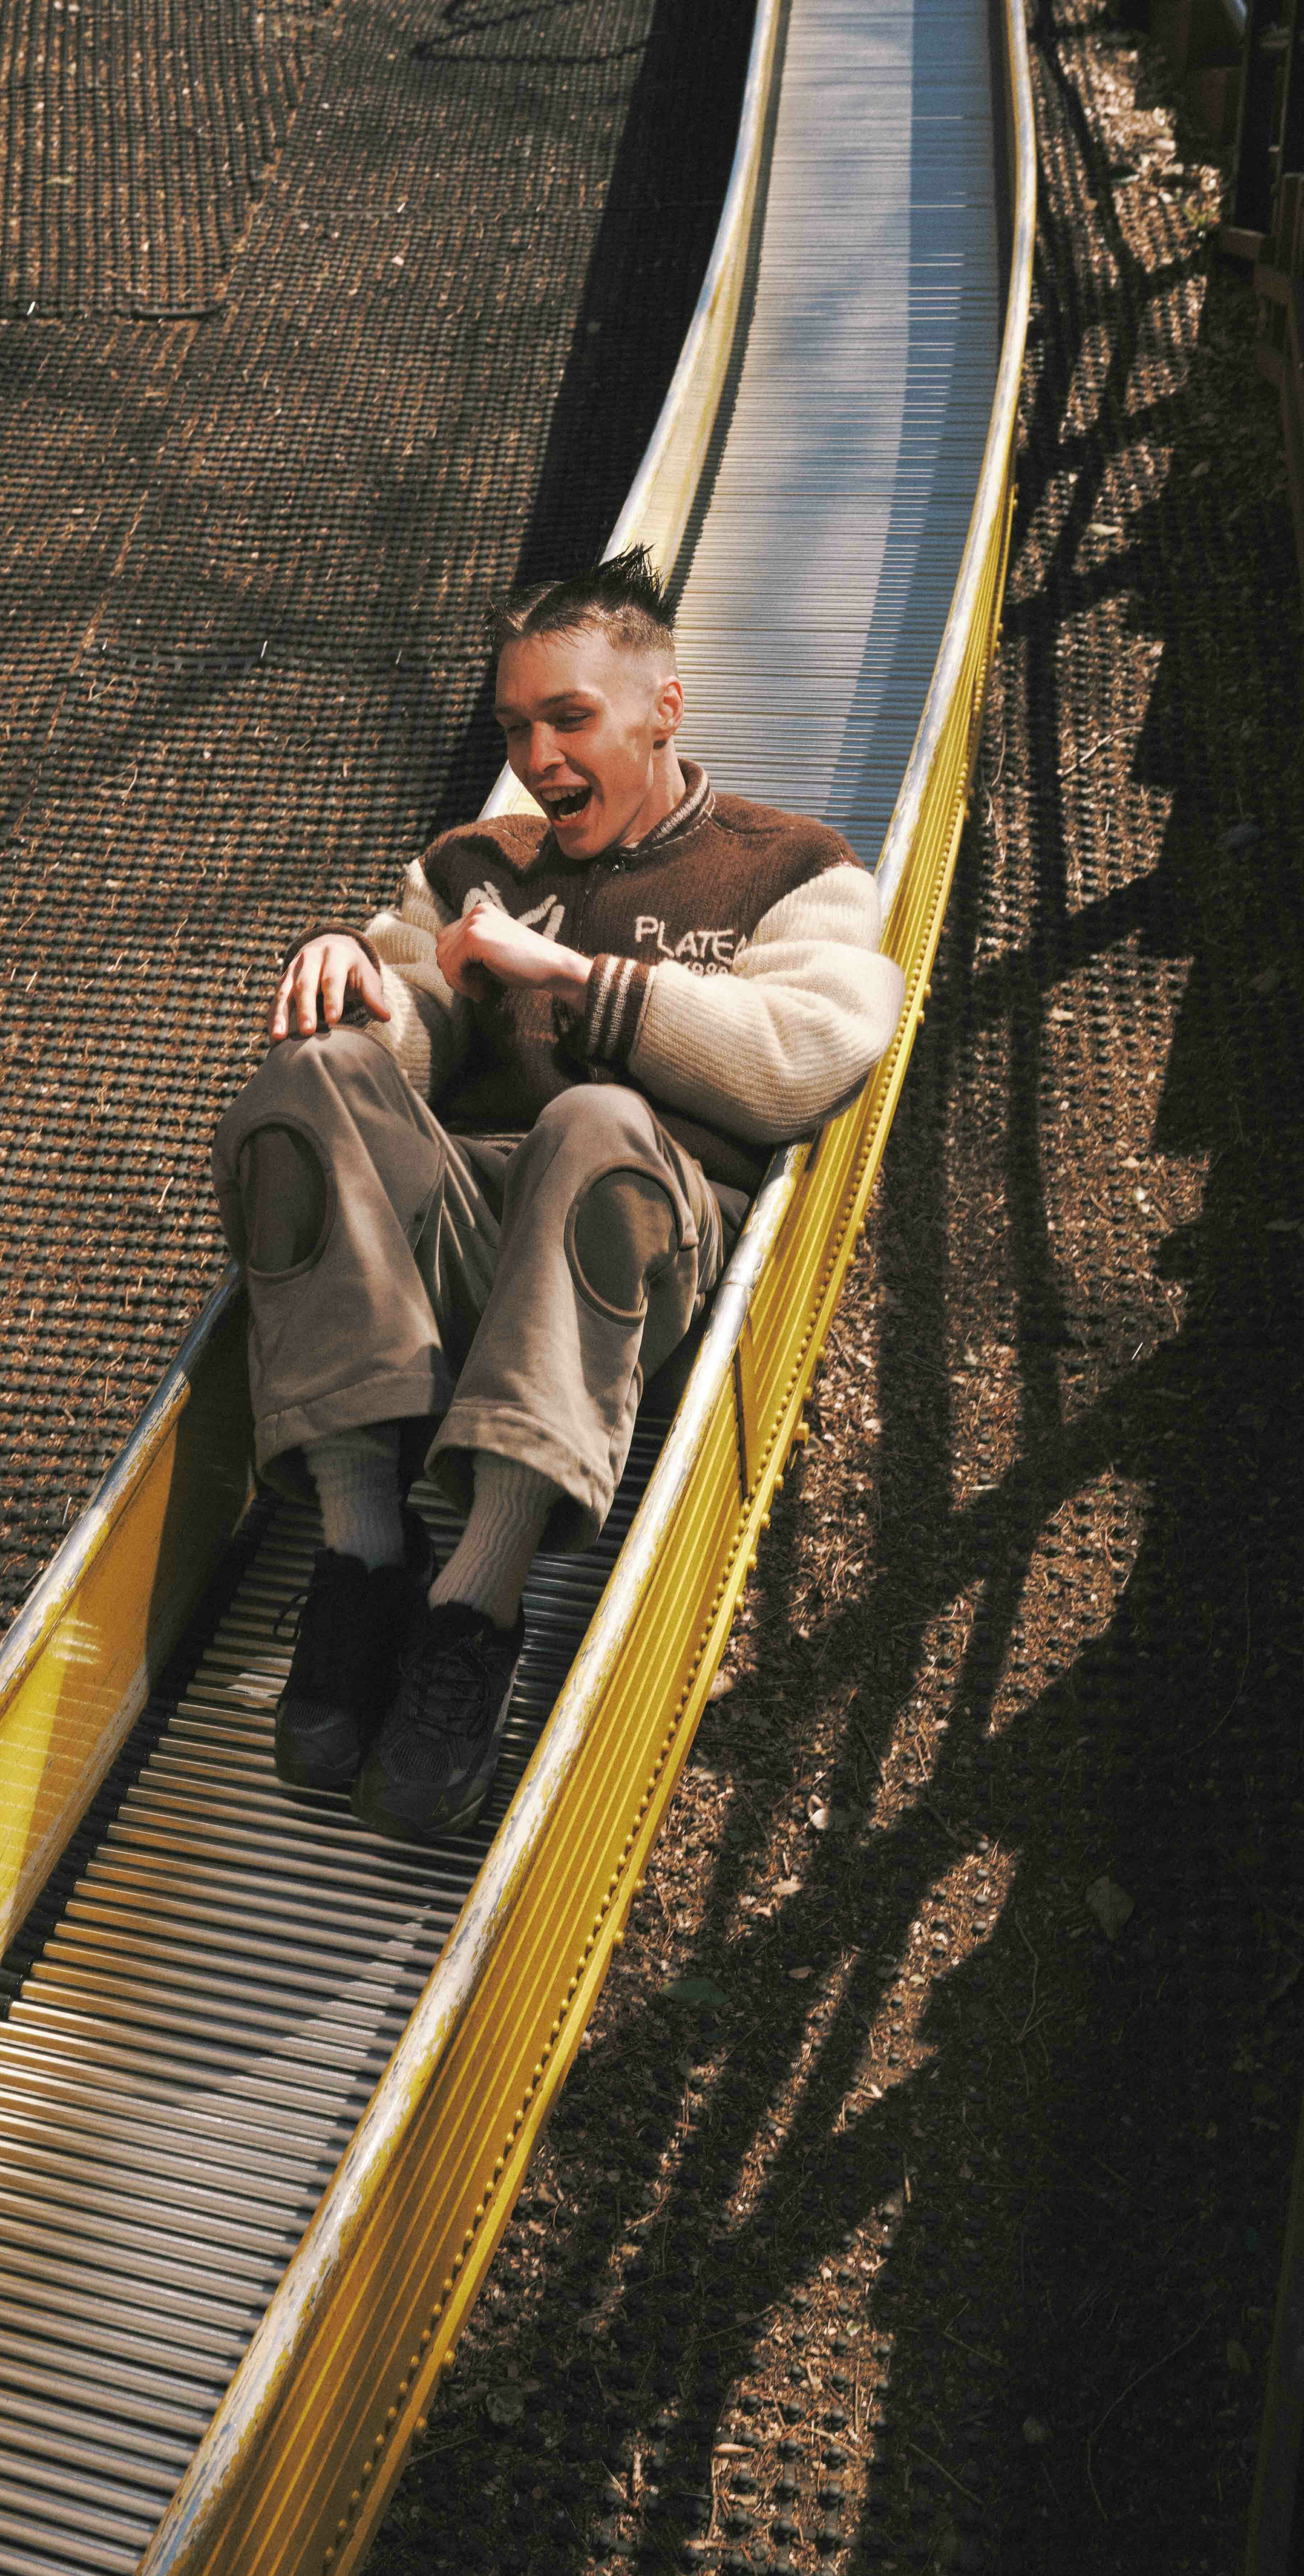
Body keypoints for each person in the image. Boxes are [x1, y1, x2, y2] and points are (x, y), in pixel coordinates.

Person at [213, 547, 905, 1842]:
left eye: (569, 718)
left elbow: (806, 1056)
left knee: (591, 1119)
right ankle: (368, 1553)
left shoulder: (789, 866)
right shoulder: (475, 863)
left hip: (633, 1243)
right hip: (475, 1234)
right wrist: (364, 980)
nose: (537, 756)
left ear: (663, 709)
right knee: (303, 1091)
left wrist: (576, 980)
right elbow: (403, 1036)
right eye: (516, 727)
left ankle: (474, 1595)